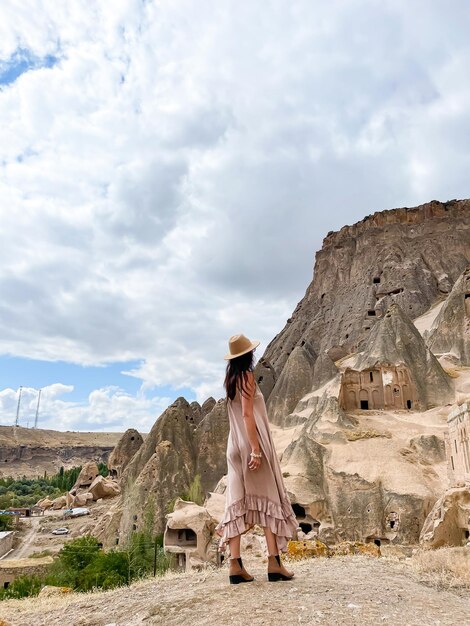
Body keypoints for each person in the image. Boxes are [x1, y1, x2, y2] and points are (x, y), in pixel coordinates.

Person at [215, 333, 299, 584]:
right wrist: (255, 449)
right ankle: (274, 563)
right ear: (248, 355)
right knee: (268, 500)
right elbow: (248, 416)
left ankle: (235, 565)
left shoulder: (230, 380)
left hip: (233, 447)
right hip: (251, 443)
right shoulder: (247, 377)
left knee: (237, 503)